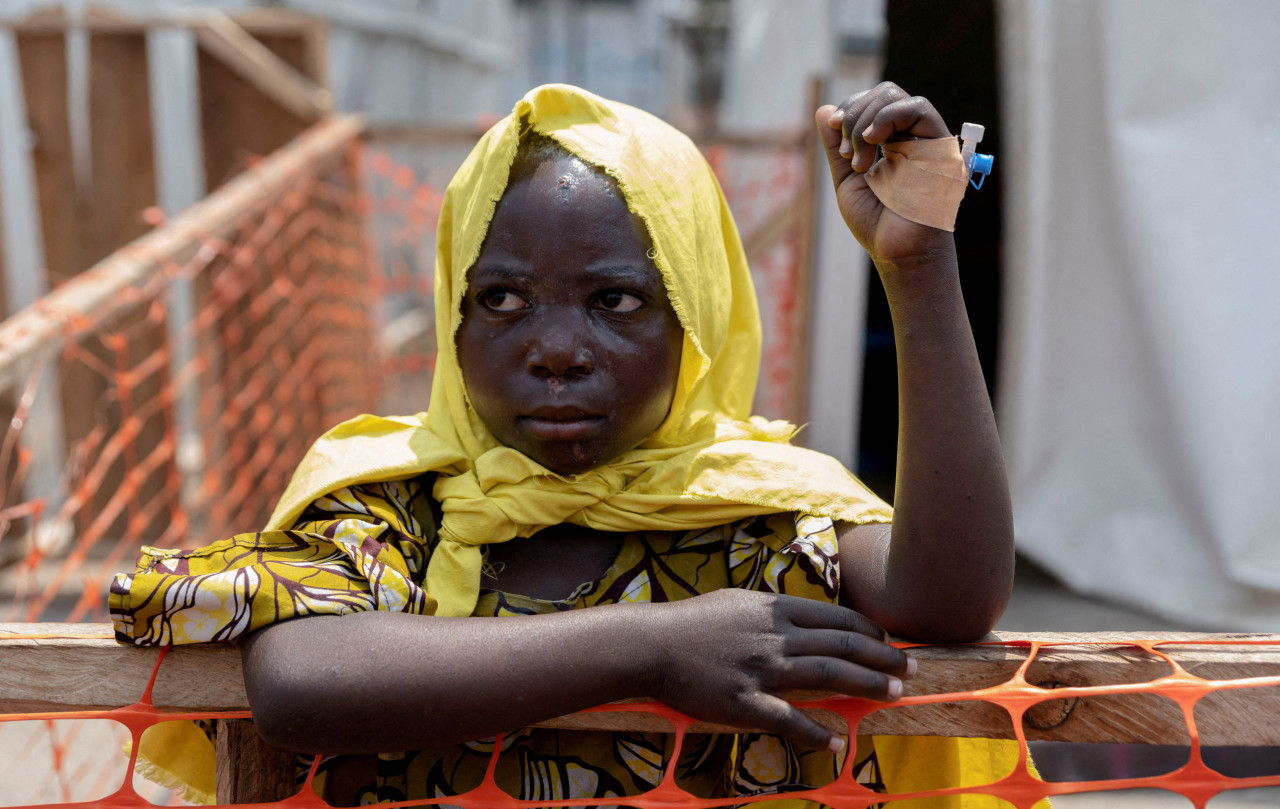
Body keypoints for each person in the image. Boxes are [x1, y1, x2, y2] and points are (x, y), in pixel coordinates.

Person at [111, 82, 1025, 807]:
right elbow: (304, 677)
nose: (554, 349)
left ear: (695, 323)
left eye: (616, 301)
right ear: (452, 322)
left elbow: (946, 601)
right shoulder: (396, 498)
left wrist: (918, 267)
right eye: (502, 299)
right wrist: (653, 645)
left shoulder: (760, 511)